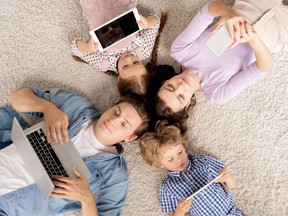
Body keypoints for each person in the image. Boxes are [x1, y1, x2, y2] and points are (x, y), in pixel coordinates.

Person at [0, 87, 149, 216]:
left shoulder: (115, 177)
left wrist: (87, 199)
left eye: (124, 124)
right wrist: (47, 107)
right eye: (116, 112)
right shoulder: (76, 106)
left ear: (130, 137)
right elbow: (15, 98)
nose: (113, 121)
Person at [153, 0, 287, 124]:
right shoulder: (217, 93)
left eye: (170, 87)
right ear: (187, 104)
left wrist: (228, 12)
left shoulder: (179, 50)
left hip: (249, 6)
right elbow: (264, 67)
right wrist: (253, 39)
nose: (181, 86)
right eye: (181, 97)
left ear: (165, 81)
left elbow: (206, 11)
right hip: (275, 34)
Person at [140, 121, 244, 216]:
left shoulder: (202, 161)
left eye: (180, 151)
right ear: (160, 164)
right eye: (170, 159)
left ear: (184, 147)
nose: (179, 159)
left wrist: (227, 178)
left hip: (232, 212)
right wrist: (181, 211)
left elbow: (231, 185)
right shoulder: (167, 187)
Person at [71, 0, 167, 95]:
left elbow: (75, 47)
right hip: (122, 4)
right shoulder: (144, 51)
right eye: (136, 62)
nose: (128, 59)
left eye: (125, 67)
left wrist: (88, 48)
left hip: (95, 7)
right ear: (145, 67)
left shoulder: (103, 64)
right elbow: (156, 23)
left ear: (119, 78)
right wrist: (148, 23)